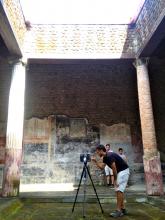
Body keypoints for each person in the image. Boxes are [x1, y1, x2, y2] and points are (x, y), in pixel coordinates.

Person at [92, 144, 130, 218]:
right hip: (120, 172)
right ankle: (123, 209)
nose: (97, 153)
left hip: (123, 171)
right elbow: (101, 167)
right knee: (118, 191)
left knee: (119, 190)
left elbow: (114, 169)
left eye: (97, 152)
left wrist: (115, 180)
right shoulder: (105, 158)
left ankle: (118, 211)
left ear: (101, 150)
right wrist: (95, 161)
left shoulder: (109, 156)